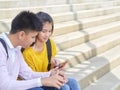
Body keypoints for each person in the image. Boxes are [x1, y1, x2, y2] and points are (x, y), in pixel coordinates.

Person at [0, 11, 67, 90]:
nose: (33, 40)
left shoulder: (16, 49)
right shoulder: (1, 48)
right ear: (21, 35)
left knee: (66, 85)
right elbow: (4, 85)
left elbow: (27, 74)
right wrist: (42, 81)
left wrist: (50, 74)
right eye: (33, 37)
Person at [22, 11, 80, 90]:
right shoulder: (27, 52)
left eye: (49, 31)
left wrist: (56, 66)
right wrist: (51, 76)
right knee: (63, 87)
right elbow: (30, 77)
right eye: (44, 31)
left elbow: (50, 67)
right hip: (32, 83)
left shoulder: (50, 43)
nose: (47, 35)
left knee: (73, 82)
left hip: (47, 78)